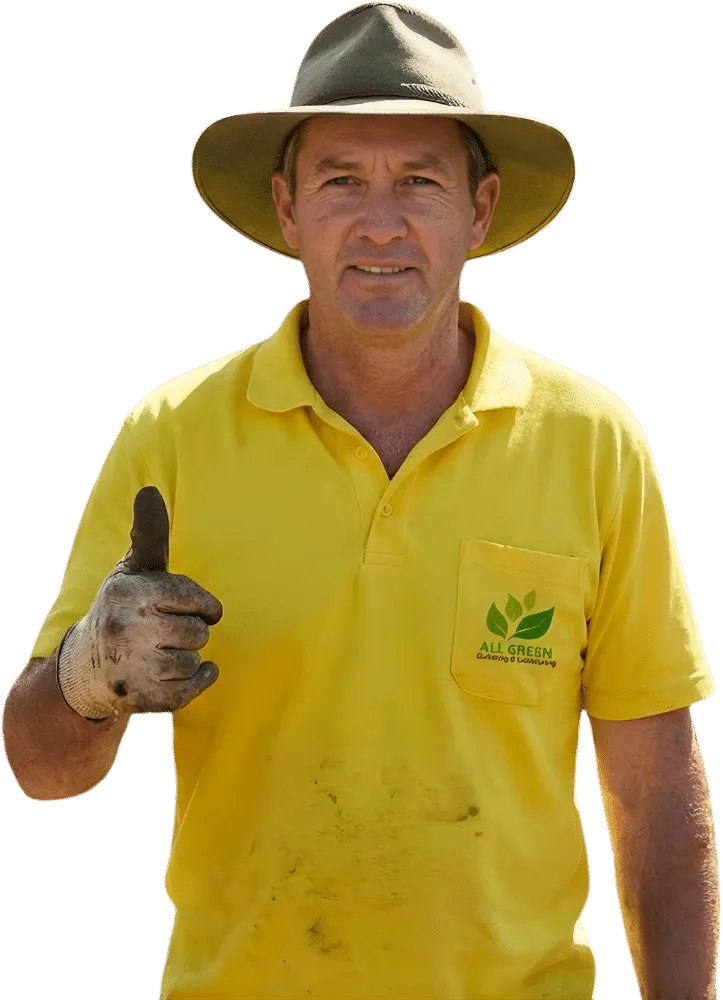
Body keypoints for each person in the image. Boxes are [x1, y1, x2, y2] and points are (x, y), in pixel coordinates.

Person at [2, 3, 718, 999]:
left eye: (420, 181)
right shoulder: (171, 437)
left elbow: (657, 794)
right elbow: (43, 769)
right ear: (289, 208)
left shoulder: (590, 442)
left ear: (480, 207)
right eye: (343, 180)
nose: (380, 223)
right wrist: (88, 677)